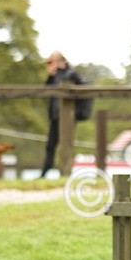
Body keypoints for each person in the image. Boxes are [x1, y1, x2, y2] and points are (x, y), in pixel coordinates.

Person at [40, 50, 83, 178]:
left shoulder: (72, 74)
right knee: (50, 146)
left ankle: (65, 173)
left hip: (68, 117)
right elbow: (46, 90)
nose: (49, 64)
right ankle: (44, 174)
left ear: (59, 61)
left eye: (51, 61)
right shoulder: (55, 75)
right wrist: (50, 75)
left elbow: (81, 89)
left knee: (66, 146)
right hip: (55, 116)